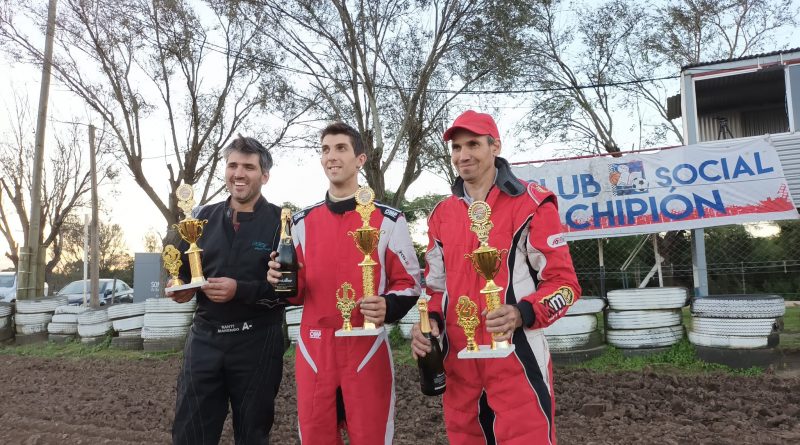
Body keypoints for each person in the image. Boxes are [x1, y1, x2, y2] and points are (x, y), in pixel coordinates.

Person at [410, 110, 581, 445]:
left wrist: (522, 313)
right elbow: (435, 288)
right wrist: (428, 324)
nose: (463, 155)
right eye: (456, 148)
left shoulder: (533, 202)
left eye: (472, 144)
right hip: (460, 361)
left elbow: (565, 285)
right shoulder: (441, 215)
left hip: (516, 357)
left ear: (495, 146)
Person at [268, 122, 421, 444]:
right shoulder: (299, 223)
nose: (331, 157)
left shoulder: (390, 220)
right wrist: (278, 282)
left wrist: (388, 305)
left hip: (367, 348)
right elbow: (293, 293)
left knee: (372, 438)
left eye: (340, 148)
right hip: (314, 350)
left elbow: (409, 283)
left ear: (360, 159)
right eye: (325, 150)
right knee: (315, 438)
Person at [167, 135, 288, 445]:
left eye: (248, 167)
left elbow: (289, 289)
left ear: (265, 176)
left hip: (257, 341)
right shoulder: (200, 219)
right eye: (233, 165)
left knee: (252, 433)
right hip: (205, 339)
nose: (239, 173)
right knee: (190, 431)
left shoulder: (281, 224)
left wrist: (241, 290)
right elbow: (177, 268)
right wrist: (178, 287)